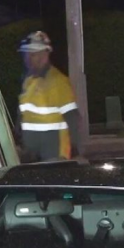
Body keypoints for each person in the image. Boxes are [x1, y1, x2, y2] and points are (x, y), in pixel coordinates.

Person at [17, 31, 83, 162]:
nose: (28, 58)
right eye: (26, 54)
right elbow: (23, 116)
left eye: (33, 54)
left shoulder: (58, 81)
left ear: (44, 54)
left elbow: (72, 118)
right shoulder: (28, 80)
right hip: (32, 155)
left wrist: (74, 150)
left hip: (54, 154)